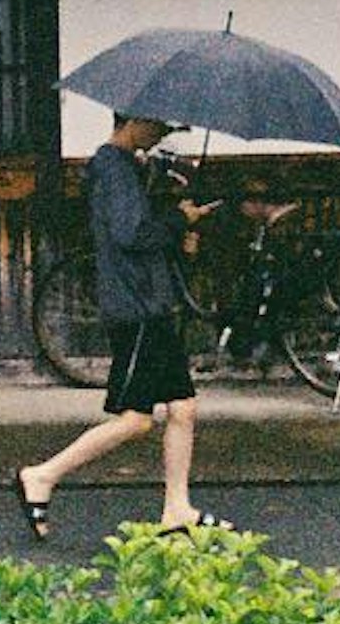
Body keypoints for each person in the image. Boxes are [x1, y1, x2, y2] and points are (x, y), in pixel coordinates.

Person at [18, 113, 204, 539]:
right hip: (136, 305)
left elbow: (139, 231)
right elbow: (131, 234)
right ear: (132, 121)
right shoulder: (113, 168)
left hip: (149, 301)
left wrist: (178, 222)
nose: (159, 135)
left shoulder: (125, 168)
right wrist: (178, 221)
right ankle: (42, 476)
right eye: (156, 126)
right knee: (136, 420)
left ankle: (178, 507)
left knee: (183, 408)